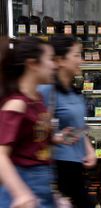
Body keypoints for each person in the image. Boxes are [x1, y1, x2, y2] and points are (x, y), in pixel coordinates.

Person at [38, 35, 97, 208]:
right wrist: (56, 137)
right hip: (59, 167)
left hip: (75, 165)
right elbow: (37, 132)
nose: (81, 60)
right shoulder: (47, 90)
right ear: (60, 60)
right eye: (77, 55)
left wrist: (89, 149)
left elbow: (77, 127)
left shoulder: (72, 91)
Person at [0, 37, 56, 208]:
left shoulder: (37, 100)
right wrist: (20, 194)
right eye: (50, 59)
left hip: (40, 186)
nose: (54, 65)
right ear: (33, 64)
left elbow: (36, 144)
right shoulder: (16, 104)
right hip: (23, 189)